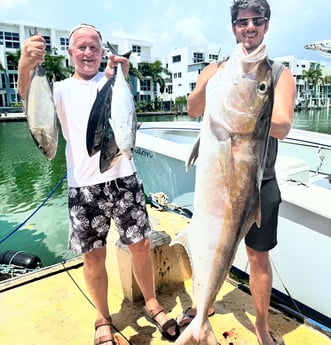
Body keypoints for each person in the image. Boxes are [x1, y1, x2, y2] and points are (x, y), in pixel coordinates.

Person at [18, 24, 179, 344]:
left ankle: (151, 304)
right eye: (81, 47)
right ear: (70, 53)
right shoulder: (60, 89)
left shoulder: (112, 82)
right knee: (93, 256)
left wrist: (124, 74)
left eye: (94, 47)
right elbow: (28, 97)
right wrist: (26, 63)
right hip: (84, 187)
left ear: (102, 51)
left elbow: (126, 117)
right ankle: (103, 317)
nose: (88, 53)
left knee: (141, 246)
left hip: (124, 179)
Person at [182, 1, 296, 345]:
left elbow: (284, 124)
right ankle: (204, 311)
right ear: (234, 28)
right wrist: (207, 88)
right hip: (221, 176)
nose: (249, 27)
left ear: (266, 25)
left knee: (258, 258)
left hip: (259, 184)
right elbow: (192, 110)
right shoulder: (217, 71)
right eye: (242, 22)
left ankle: (261, 326)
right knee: (206, 238)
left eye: (256, 21)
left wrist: (245, 114)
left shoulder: (278, 74)